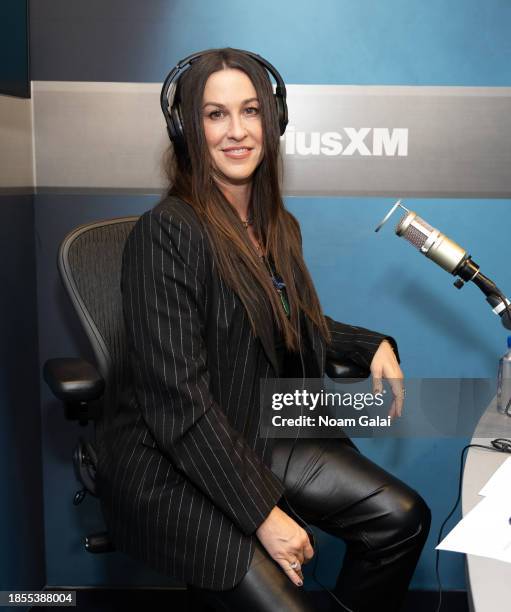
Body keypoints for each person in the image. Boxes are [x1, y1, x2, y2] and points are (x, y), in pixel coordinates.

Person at [96, 48, 431, 612]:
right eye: (215, 114)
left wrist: (367, 343)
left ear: (271, 123)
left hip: (256, 421)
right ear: (186, 128)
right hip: (170, 460)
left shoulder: (276, 225)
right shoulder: (165, 235)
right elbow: (179, 405)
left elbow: (285, 315)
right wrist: (264, 515)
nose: (237, 131)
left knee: (402, 518)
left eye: (250, 111)